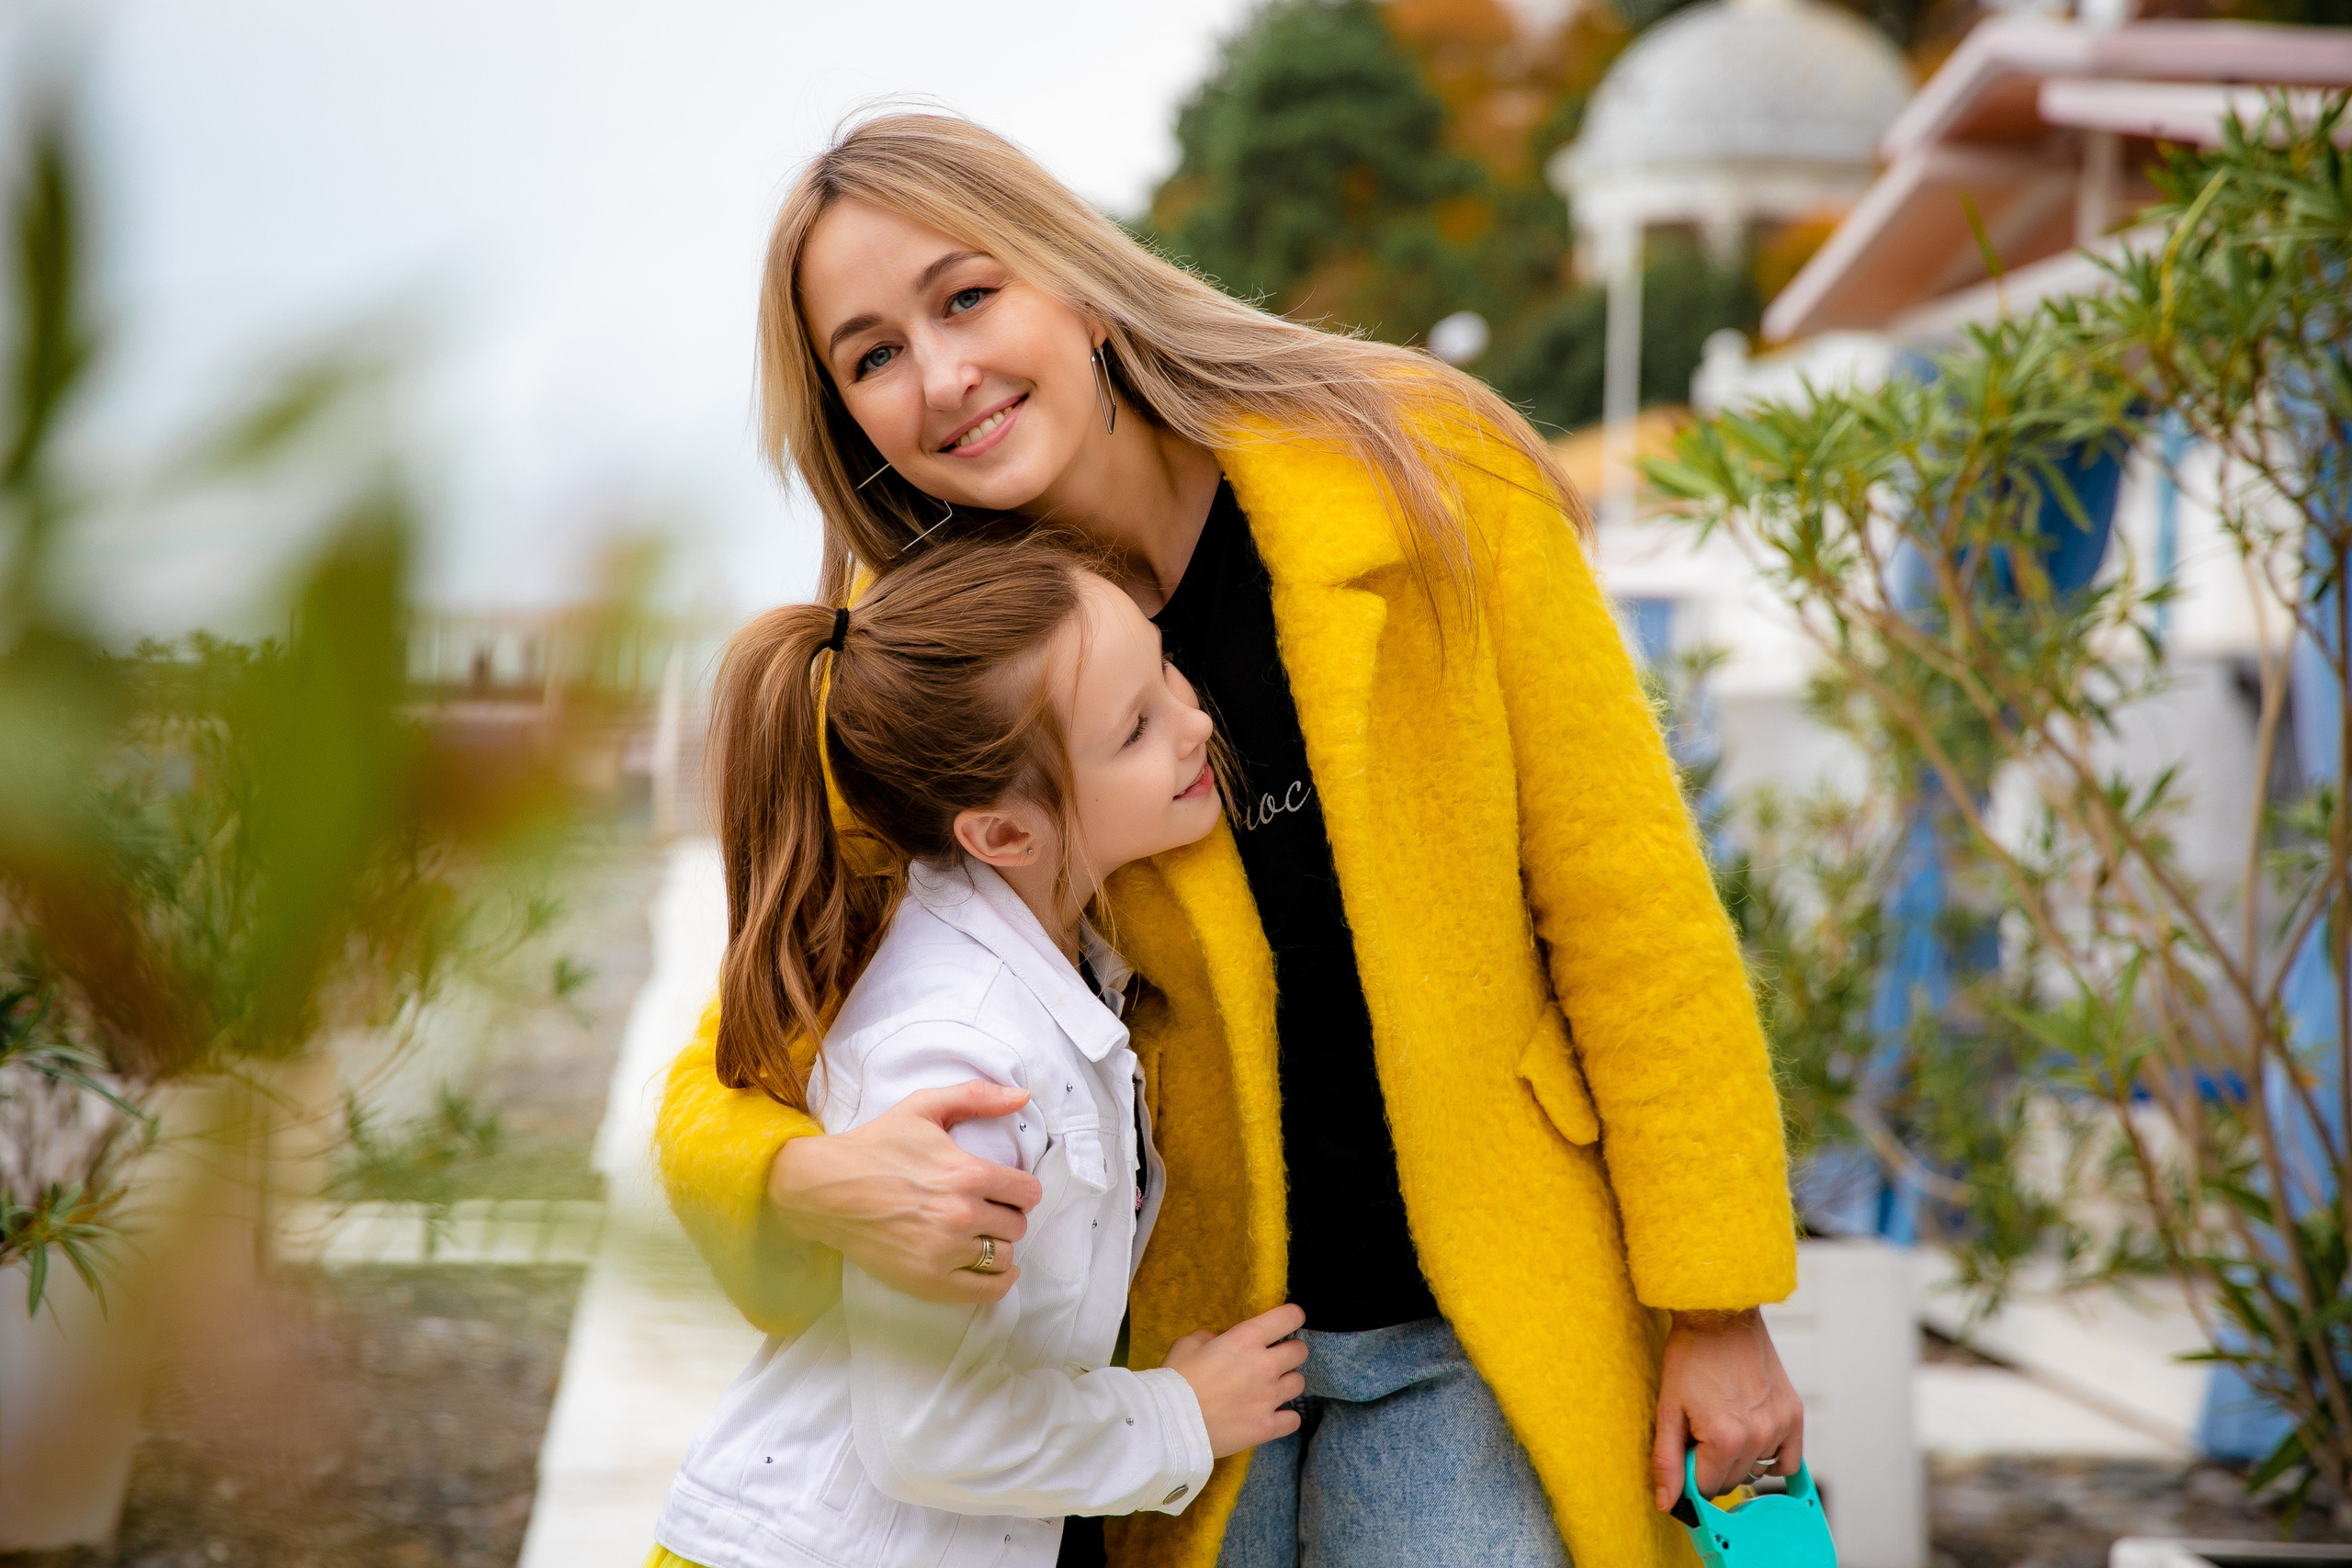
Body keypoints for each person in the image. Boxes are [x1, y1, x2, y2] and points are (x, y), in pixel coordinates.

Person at [658, 113, 1804, 1568]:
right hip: (1165, 1364)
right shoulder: (924, 673)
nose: (941, 377)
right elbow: (741, 1054)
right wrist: (802, 1178)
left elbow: (1628, 900)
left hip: (1481, 1313)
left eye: (967, 296)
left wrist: (1718, 1307)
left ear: (1072, 279)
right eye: (871, 354)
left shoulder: (1417, 459)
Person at [651, 532, 1310, 1568]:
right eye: (1135, 729)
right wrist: (1180, 1416)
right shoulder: (959, 1061)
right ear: (1002, 836)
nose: (1194, 724)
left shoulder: (1057, 964)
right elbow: (933, 1435)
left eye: (1166, 669)